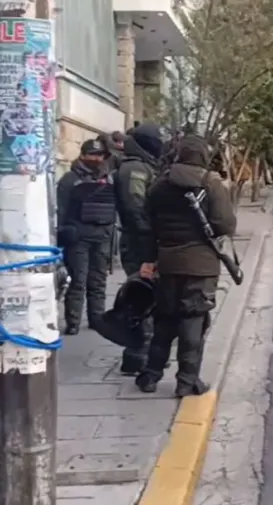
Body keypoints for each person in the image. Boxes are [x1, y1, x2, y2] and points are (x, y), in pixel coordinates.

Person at [137, 135, 237, 396]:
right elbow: (225, 225)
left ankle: (150, 376)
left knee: (165, 320)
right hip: (201, 265)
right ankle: (187, 381)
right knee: (193, 321)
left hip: (168, 263)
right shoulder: (211, 184)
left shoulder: (160, 185)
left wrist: (149, 259)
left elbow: (147, 226)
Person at [114, 123, 164, 375]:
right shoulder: (135, 169)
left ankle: (146, 354)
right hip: (138, 243)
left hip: (144, 240)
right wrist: (149, 245)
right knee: (140, 300)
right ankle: (135, 357)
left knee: (150, 298)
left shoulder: (145, 166)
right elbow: (135, 211)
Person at [56, 139, 116, 335]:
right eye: (92, 155)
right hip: (78, 237)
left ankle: (96, 319)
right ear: (82, 155)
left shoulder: (108, 178)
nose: (96, 159)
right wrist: (64, 233)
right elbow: (61, 209)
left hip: (102, 236)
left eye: (99, 155)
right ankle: (73, 321)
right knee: (78, 281)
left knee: (98, 280)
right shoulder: (70, 179)